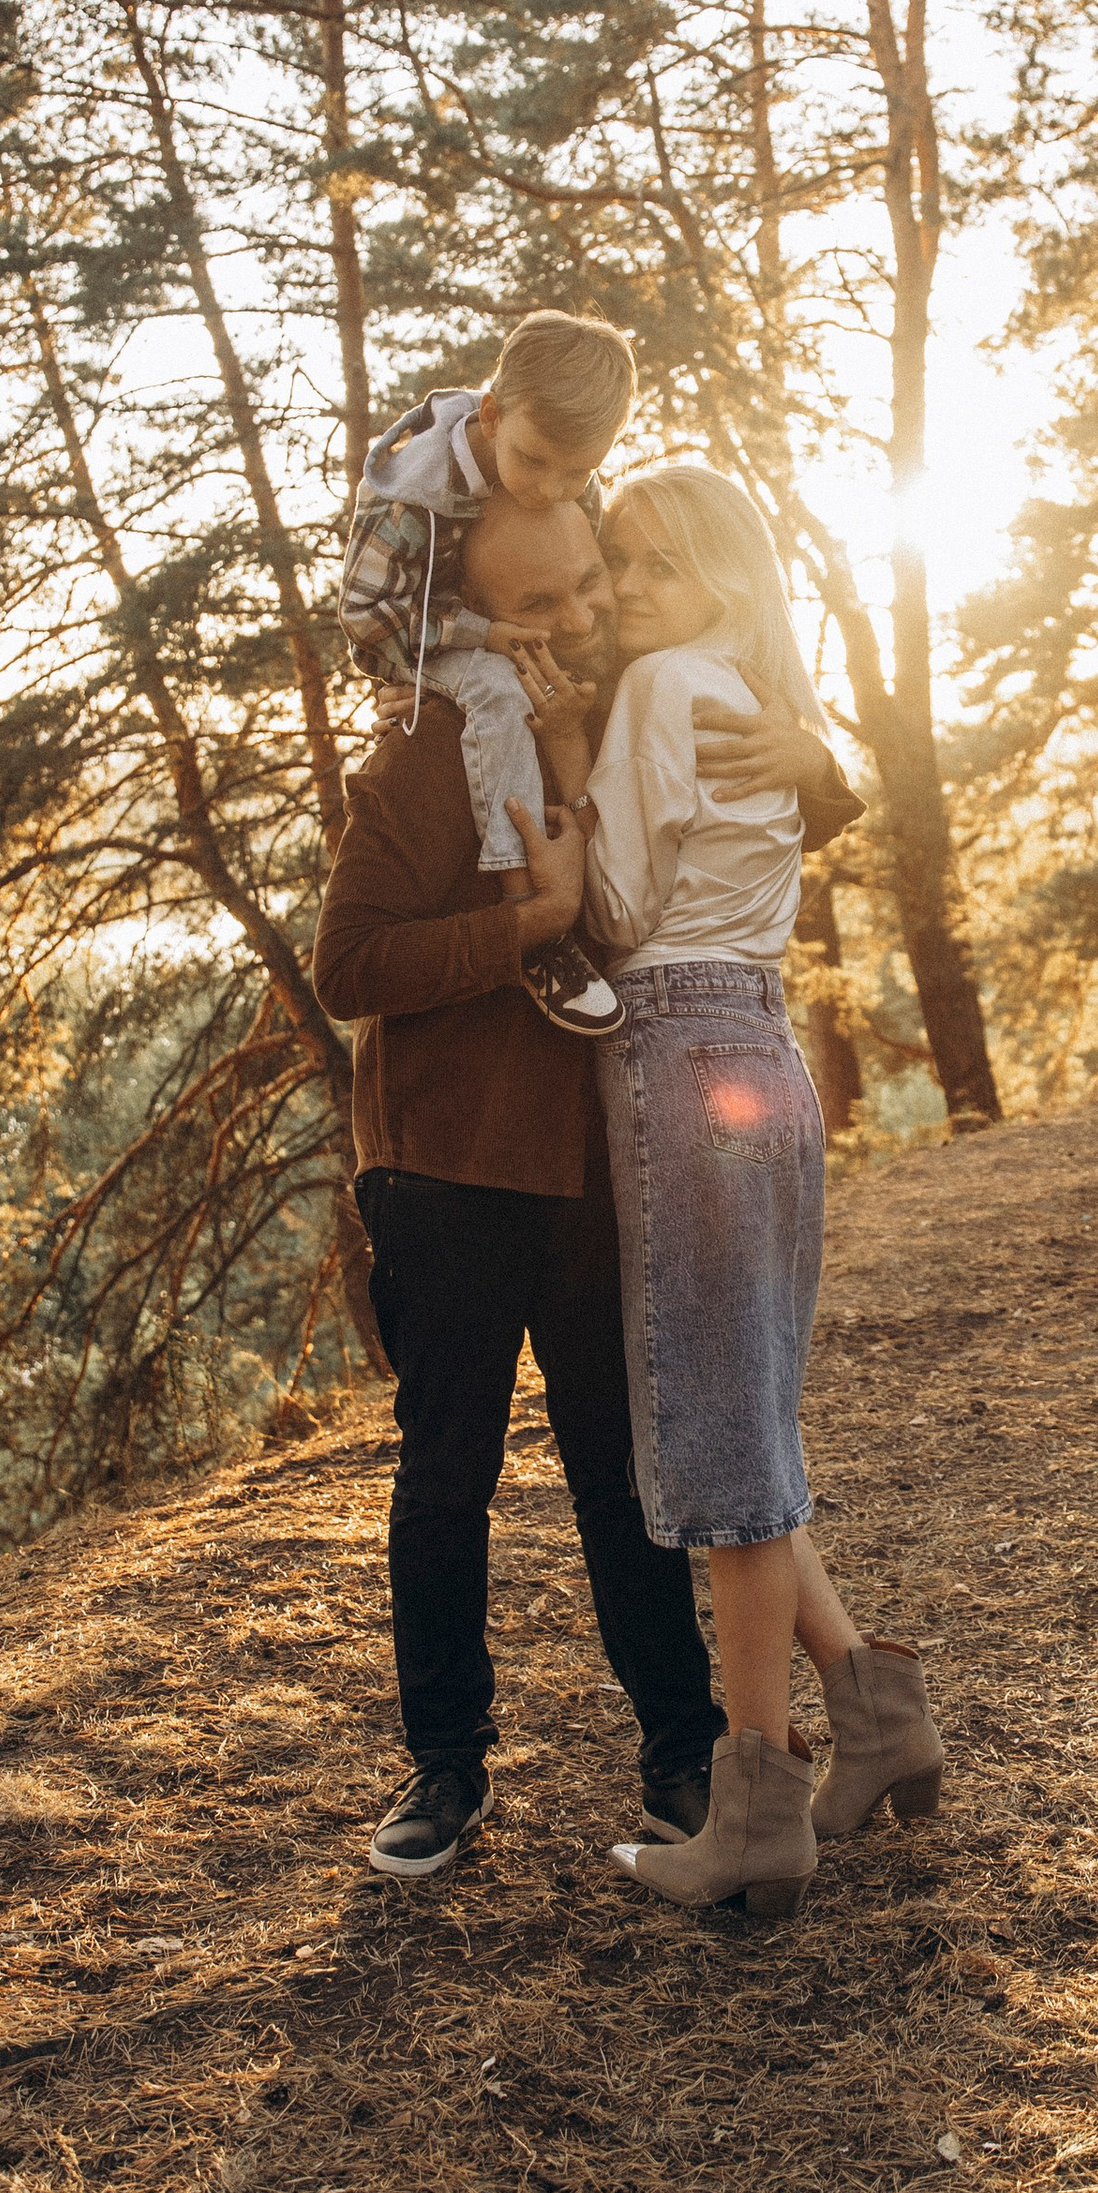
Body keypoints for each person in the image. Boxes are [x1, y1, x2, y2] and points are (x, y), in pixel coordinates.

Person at [310, 490, 865, 1881]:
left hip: (605, 1165)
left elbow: (759, 824)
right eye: (543, 601)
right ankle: (446, 1767)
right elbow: (349, 967)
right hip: (445, 1165)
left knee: (637, 1475)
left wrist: (823, 761)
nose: (577, 616)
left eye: (588, 588)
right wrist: (529, 927)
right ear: (476, 615)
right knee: (449, 1481)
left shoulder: (642, 696)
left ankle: (686, 1752)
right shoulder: (428, 758)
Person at [559, 461, 944, 1924]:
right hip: (766, 1046)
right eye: (620, 562)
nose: (630, 590)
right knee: (747, 1421)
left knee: (721, 1452)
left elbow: (620, 907)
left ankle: (754, 1815)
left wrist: (546, 862)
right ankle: (879, 1714)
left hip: (680, 1045)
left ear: (720, 573)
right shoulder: (752, 693)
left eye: (655, 563)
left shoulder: (666, 686)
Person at [337, 308, 637, 1040]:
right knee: (500, 693)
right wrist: (472, 639)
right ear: (494, 413)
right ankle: (526, 912)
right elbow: (367, 621)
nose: (552, 488)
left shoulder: (564, 480)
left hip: (499, 627)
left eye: (579, 469)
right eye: (534, 461)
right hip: (421, 636)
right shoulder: (410, 492)